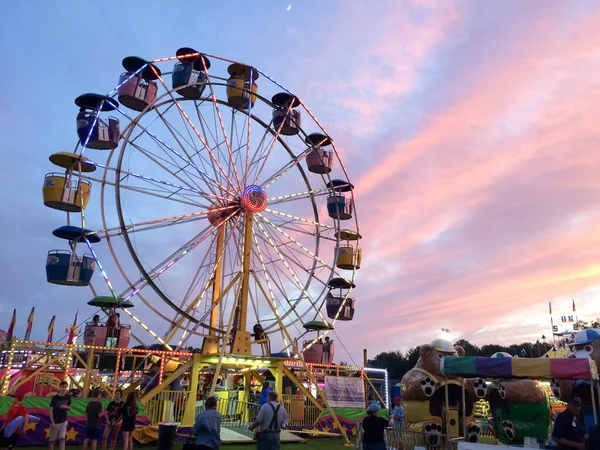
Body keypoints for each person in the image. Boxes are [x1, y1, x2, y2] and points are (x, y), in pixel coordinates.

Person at [49, 381, 71, 450]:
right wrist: (52, 422)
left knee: (62, 438)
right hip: (55, 421)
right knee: (52, 440)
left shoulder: (68, 397)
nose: (64, 388)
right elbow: (51, 410)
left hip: (64, 421)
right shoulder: (55, 398)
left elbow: (69, 407)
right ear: (59, 387)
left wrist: (66, 407)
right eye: (62, 387)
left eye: (65, 387)